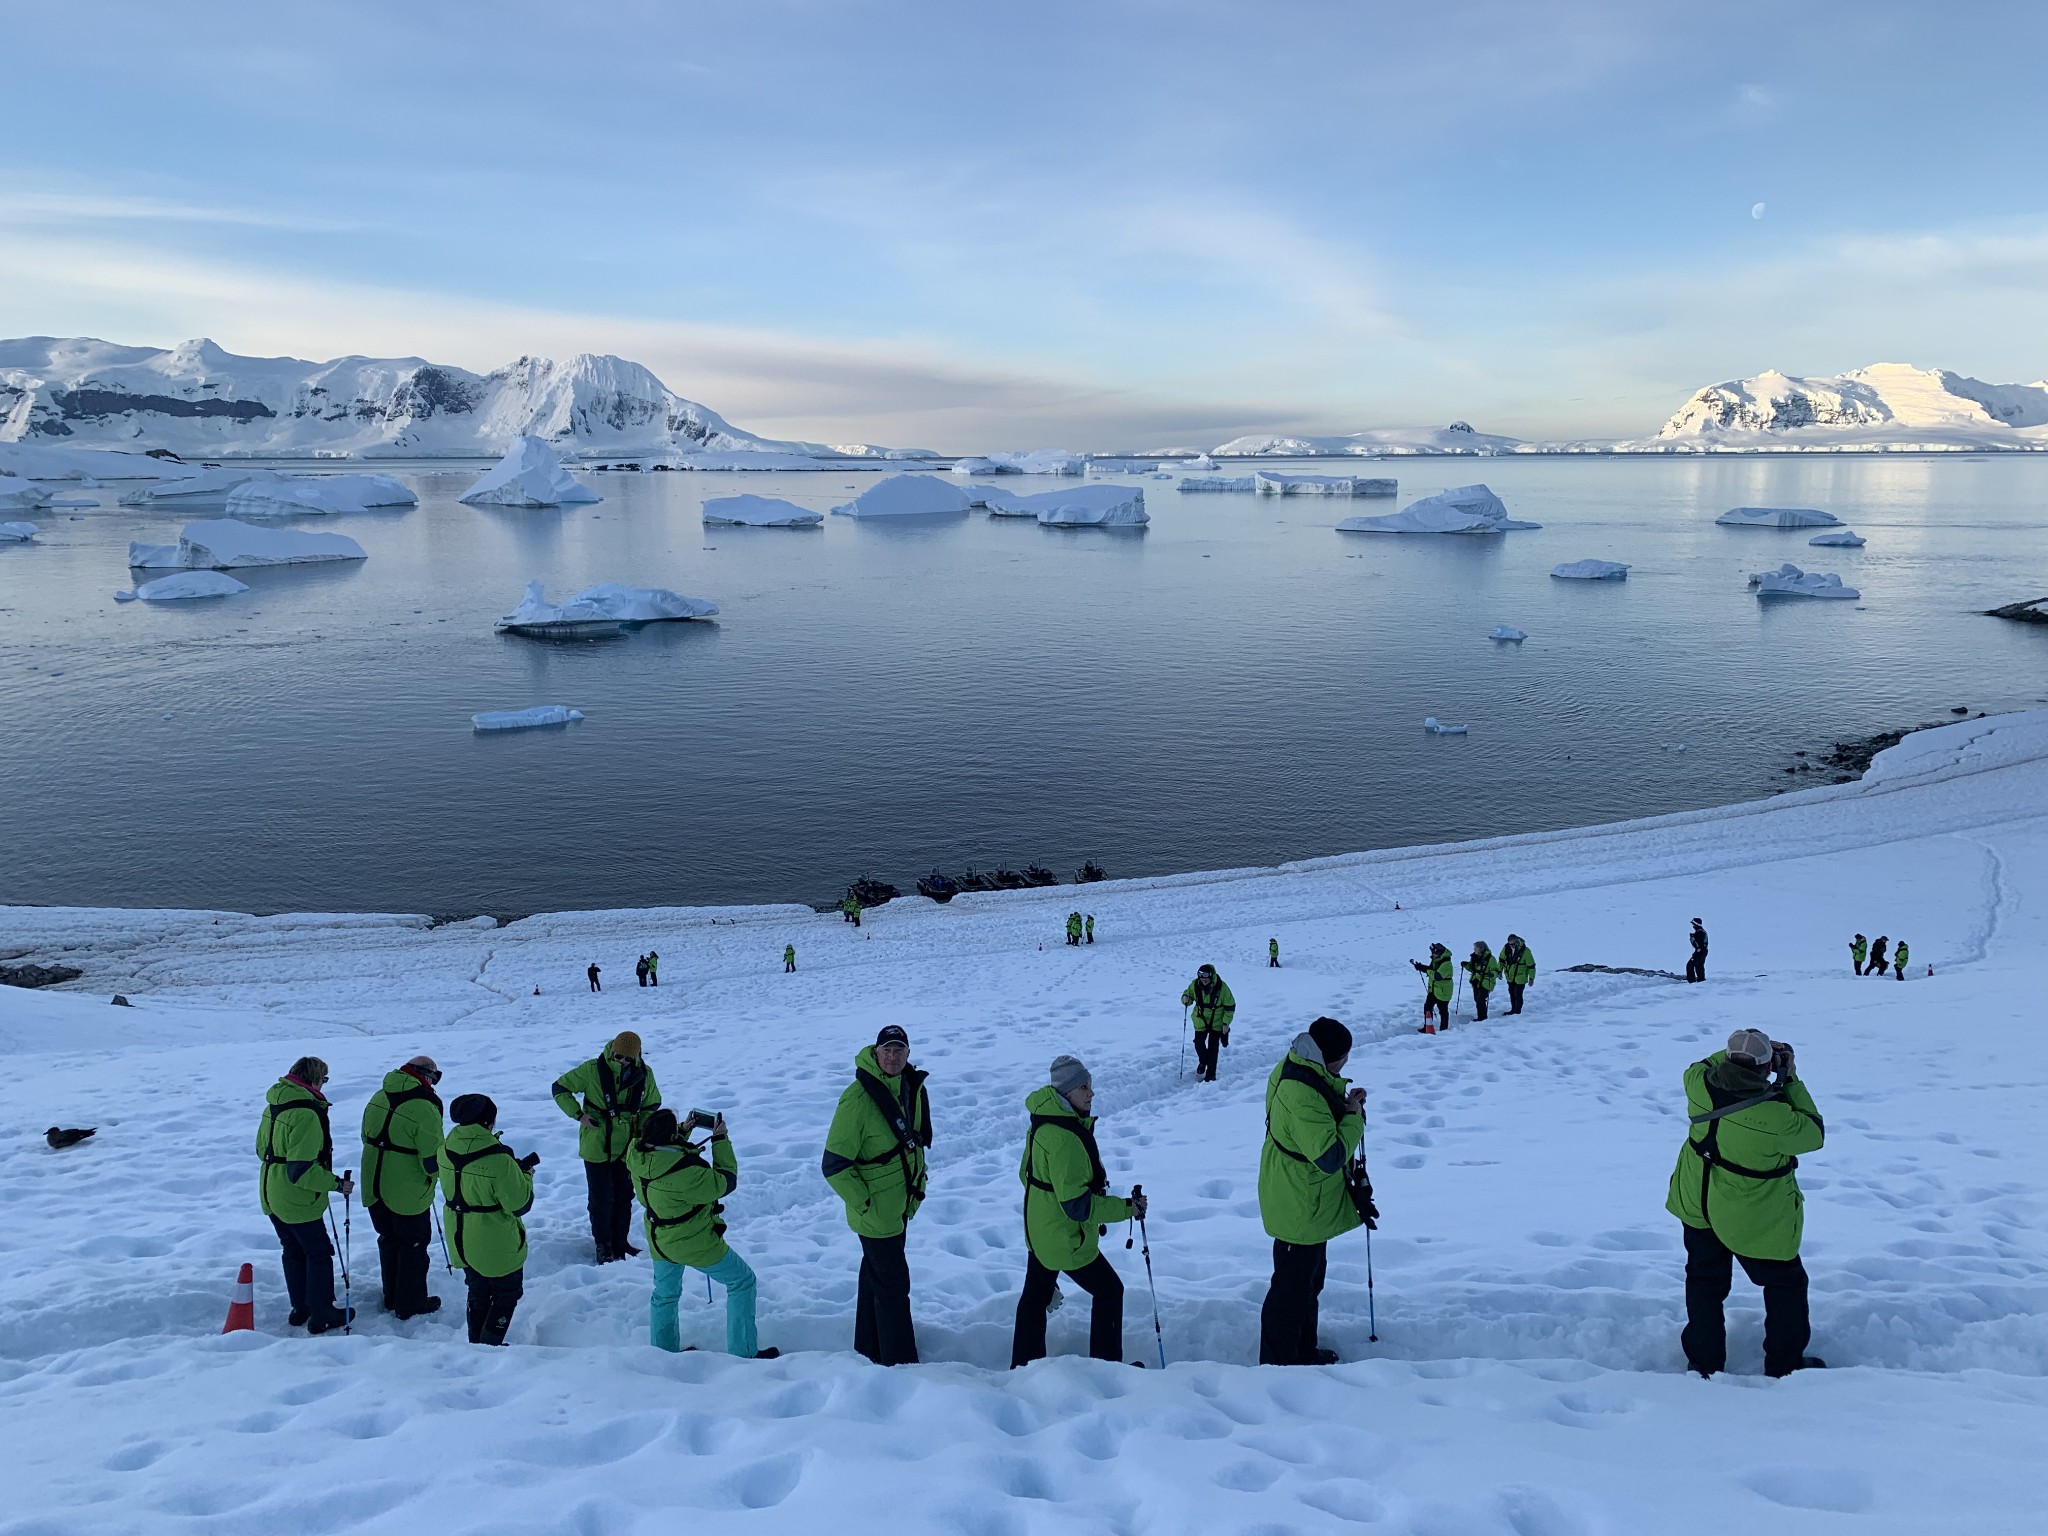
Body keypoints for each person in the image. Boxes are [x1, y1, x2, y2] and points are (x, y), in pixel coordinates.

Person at [1666, 1028, 1825, 1378]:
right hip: (1752, 1216)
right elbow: (1814, 1133)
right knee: (1786, 1285)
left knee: (1704, 1281)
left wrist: (1736, 1050)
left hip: (1697, 1201)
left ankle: (1704, 1361)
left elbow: (1703, 1063)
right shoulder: (1777, 1118)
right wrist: (1792, 1077)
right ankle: (1785, 1365)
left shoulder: (1698, 1084)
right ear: (1766, 1067)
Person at [1011, 1056, 1141, 1367]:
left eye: (1091, 1085)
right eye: (1084, 1087)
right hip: (1064, 1238)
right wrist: (1128, 1209)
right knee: (1110, 1291)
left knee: (1034, 1298)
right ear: (1067, 1092)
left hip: (1039, 1230)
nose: (1091, 1093)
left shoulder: (1044, 1119)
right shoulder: (1065, 1139)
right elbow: (1079, 1207)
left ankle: (1023, 1367)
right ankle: (1107, 1366)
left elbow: (1024, 1174)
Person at [1258, 1017, 1372, 1365]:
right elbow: (1330, 1156)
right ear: (1331, 1057)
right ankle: (1279, 1365)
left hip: (1303, 1195)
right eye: (1345, 1057)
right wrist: (1353, 1117)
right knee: (1290, 1293)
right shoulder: (1301, 1092)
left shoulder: (1297, 1065)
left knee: (1307, 1284)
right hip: (1300, 1201)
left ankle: (1302, 1351)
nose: (1346, 1063)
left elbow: (1314, 1114)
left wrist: (1343, 1103)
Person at [821, 1025, 932, 1365]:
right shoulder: (858, 1098)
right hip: (877, 1212)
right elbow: (834, 1165)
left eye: (899, 1049)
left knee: (876, 1276)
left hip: (897, 1204)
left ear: (908, 1054)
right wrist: (866, 1203)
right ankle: (899, 1362)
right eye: (887, 1049)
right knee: (894, 1287)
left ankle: (869, 1346)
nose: (893, 1056)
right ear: (875, 1051)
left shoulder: (908, 1088)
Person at [628, 1108, 777, 1358]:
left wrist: (682, 1133)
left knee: (665, 1295)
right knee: (742, 1281)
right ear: (671, 1138)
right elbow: (724, 1181)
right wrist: (720, 1141)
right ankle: (744, 1351)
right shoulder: (688, 1174)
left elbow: (662, 1157)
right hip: (692, 1240)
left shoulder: (636, 1153)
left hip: (658, 1237)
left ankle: (662, 1354)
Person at [256, 1055, 355, 1333]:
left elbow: (261, 1150)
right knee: (319, 1252)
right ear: (314, 1079)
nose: (324, 1085)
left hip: (270, 1190)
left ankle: (301, 1307)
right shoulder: (307, 1113)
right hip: (296, 1197)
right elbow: (301, 1170)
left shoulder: (274, 1104)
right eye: (324, 1079)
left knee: (292, 1249)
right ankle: (322, 1312)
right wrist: (336, 1184)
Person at [552, 1032, 662, 1263]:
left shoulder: (645, 1074)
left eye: (626, 1058)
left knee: (624, 1195)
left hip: (627, 1147)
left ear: (636, 1057)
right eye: (617, 1055)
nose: (620, 1061)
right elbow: (560, 1088)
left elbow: (651, 1104)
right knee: (600, 1198)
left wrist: (642, 1133)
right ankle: (603, 1244)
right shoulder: (592, 1069)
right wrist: (579, 1115)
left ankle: (621, 1241)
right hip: (596, 1144)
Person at [440, 1093, 537, 1346]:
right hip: (494, 1240)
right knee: (507, 1293)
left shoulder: (445, 1148)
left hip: (460, 1235)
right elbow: (520, 1205)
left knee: (477, 1291)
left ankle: (476, 1343)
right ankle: (491, 1346)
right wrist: (525, 1176)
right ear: (489, 1121)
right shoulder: (499, 1160)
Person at [359, 1055, 445, 1319]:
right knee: (413, 1246)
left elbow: (365, 1135)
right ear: (425, 1075)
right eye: (435, 1076)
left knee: (388, 1240)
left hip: (373, 1183)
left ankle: (391, 1296)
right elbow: (432, 1160)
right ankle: (410, 1302)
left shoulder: (378, 1097)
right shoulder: (425, 1107)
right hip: (406, 1190)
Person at [1181, 964, 1236, 1082]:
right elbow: (1188, 994)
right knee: (1198, 1043)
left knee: (1213, 1048)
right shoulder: (1195, 985)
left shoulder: (1222, 988)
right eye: (1201, 977)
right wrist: (1186, 998)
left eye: (1206, 977)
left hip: (1217, 1021)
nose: (1203, 980)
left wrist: (1226, 1023)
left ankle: (1211, 1075)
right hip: (1200, 1019)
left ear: (1212, 976)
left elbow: (1230, 1006)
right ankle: (1203, 1061)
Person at [1411, 944, 1454, 1032]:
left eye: (1433, 953)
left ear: (1439, 953)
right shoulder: (1437, 960)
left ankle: (1444, 1030)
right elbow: (1430, 969)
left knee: (1443, 1011)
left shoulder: (1446, 963)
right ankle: (1427, 1027)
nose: (1432, 954)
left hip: (1443, 991)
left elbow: (1437, 976)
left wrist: (1427, 970)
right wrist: (1421, 967)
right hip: (1434, 990)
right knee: (1427, 1007)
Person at [1460, 940, 1499, 1022]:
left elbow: (1496, 970)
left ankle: (1482, 1017)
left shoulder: (1491, 959)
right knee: (1477, 999)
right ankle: (1481, 1016)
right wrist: (1466, 965)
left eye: (1476, 948)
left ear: (1482, 948)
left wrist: (1492, 974)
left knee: (1480, 999)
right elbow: (1471, 968)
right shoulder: (1474, 958)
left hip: (1486, 982)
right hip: (1476, 981)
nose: (1474, 950)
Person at [1500, 934, 1535, 1015]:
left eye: (1513, 944)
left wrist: (1531, 978)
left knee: (1518, 994)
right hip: (1510, 976)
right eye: (1509, 944)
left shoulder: (1526, 951)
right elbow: (1501, 960)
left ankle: (1517, 1011)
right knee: (1512, 993)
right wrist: (1499, 971)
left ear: (1517, 942)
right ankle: (1513, 1010)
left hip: (1521, 976)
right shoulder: (1506, 948)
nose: (1511, 946)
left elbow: (1531, 966)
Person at [1686, 918, 1709, 983]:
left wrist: (1692, 937)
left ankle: (1693, 981)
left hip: (1700, 951)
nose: (1692, 925)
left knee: (1692, 965)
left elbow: (1699, 944)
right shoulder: (1700, 931)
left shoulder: (1700, 932)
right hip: (1702, 951)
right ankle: (1699, 980)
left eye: (1693, 923)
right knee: (1697, 965)